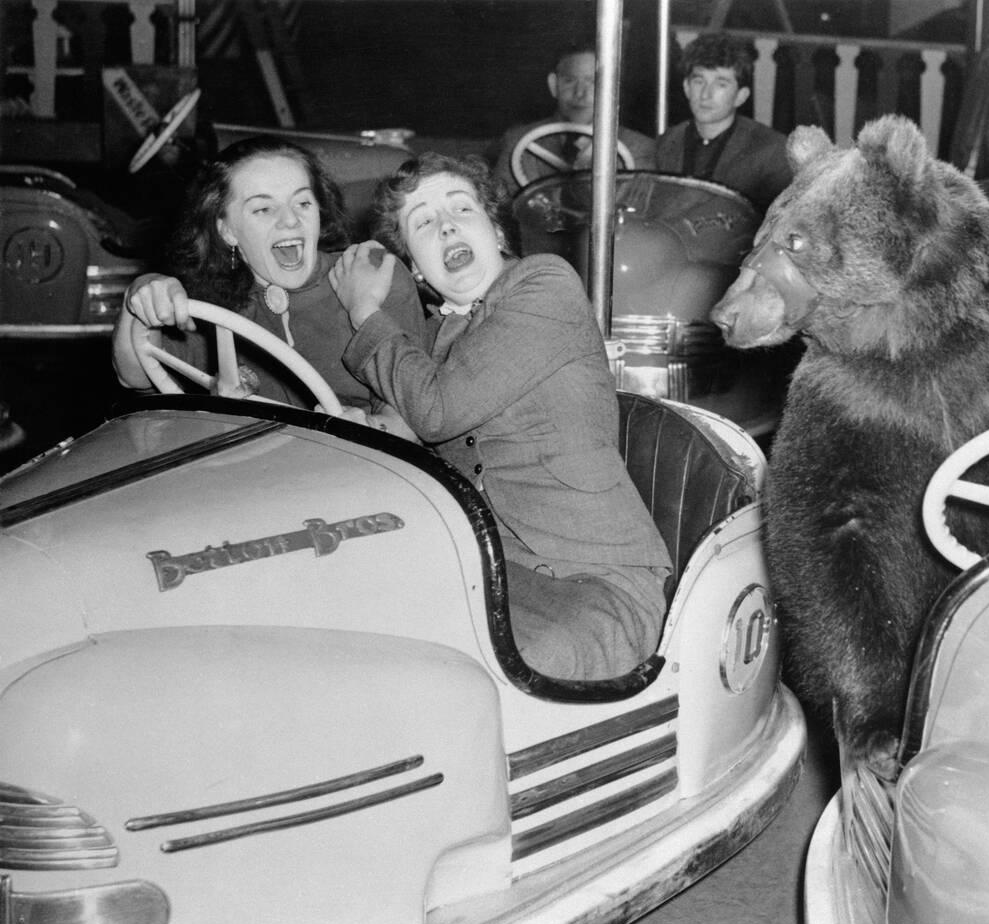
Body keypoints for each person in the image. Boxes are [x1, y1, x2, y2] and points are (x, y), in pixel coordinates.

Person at [331, 152, 672, 681]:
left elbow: (438, 410)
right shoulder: (435, 338)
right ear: (416, 267)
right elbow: (404, 422)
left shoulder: (545, 285)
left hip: (596, 581)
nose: (446, 226)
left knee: (467, 676)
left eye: (461, 208)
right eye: (423, 222)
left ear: (495, 231)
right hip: (491, 571)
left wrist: (364, 312)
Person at [111, 135, 424, 426]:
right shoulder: (213, 307)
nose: (290, 220)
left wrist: (371, 427)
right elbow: (135, 375)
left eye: (303, 203)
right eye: (263, 209)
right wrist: (141, 294)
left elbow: (409, 415)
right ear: (227, 231)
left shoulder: (373, 274)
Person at [493, 42, 656, 196]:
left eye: (592, 81)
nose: (580, 93)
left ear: (612, 88)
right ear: (553, 85)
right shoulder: (518, 143)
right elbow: (500, 204)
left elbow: (635, 208)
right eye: (569, 81)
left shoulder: (637, 149)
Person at [655, 32, 793, 211]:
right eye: (699, 81)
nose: (706, 94)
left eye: (721, 84)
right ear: (687, 88)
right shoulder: (667, 143)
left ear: (741, 96)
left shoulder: (771, 151)